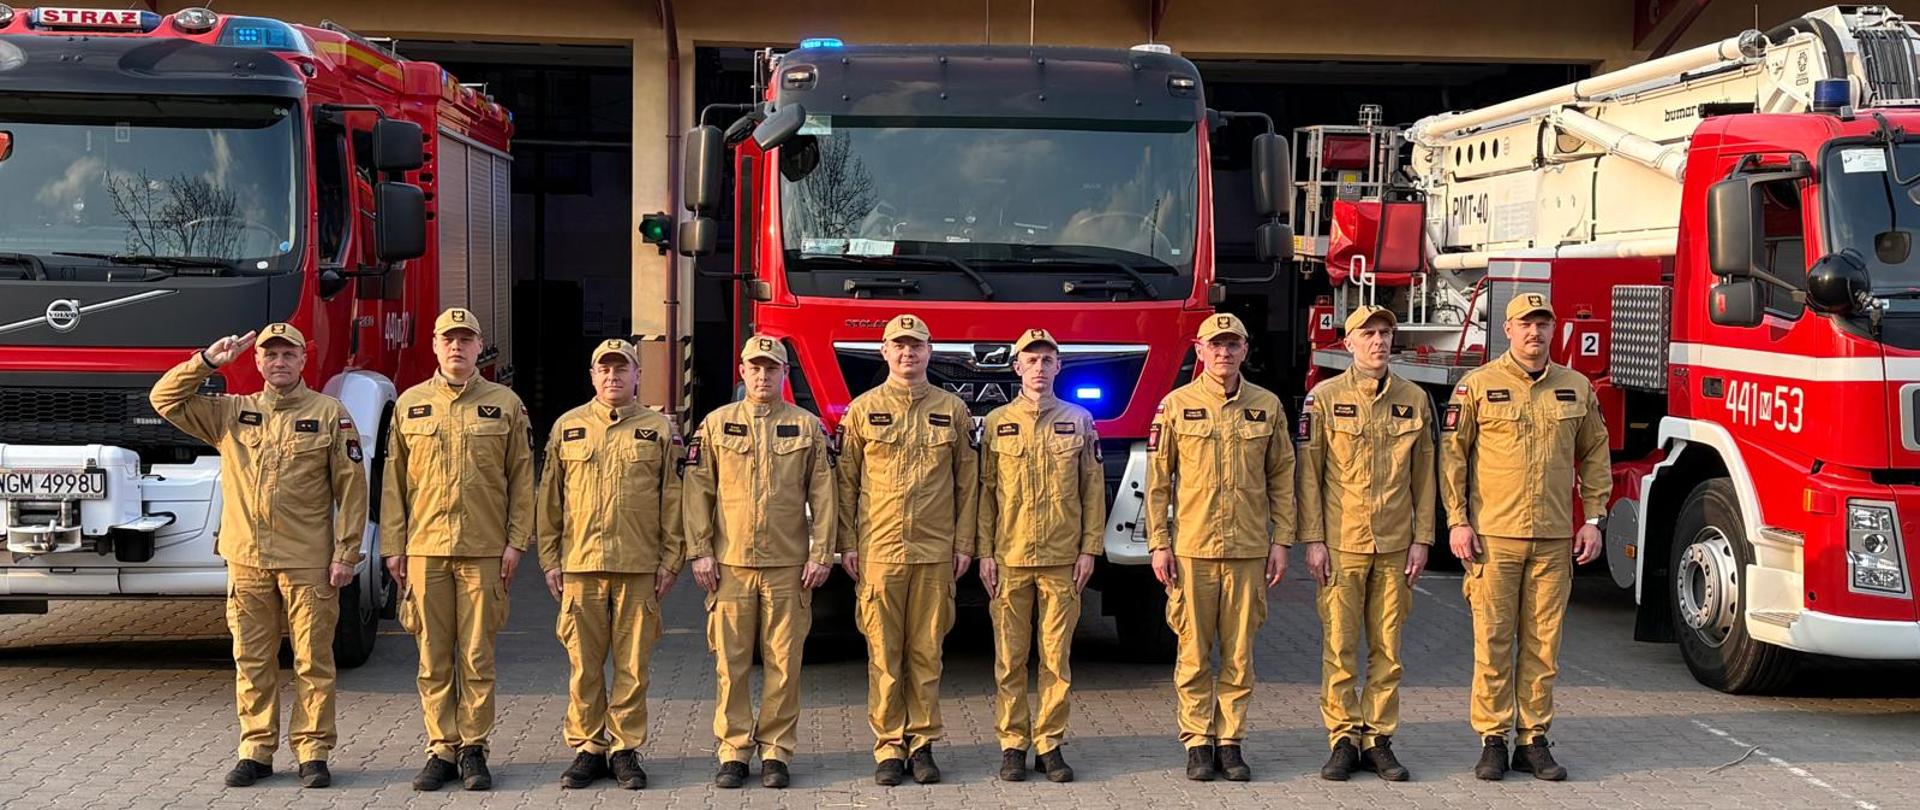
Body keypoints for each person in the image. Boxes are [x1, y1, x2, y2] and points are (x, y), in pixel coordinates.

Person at [150, 323, 367, 789]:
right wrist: (207, 362)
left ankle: (313, 750)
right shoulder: (232, 413)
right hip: (247, 559)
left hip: (309, 560)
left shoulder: (330, 414)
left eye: (288, 354)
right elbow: (164, 400)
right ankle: (256, 749)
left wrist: (347, 553)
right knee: (252, 658)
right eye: (271, 355)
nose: (279, 362)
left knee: (312, 660)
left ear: (303, 360)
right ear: (258, 362)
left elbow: (352, 490)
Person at [1443, 293, 1610, 782]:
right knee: (1493, 642)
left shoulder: (1576, 388)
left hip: (1554, 540)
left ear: (1553, 331)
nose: (1534, 333)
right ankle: (1492, 740)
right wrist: (1457, 520)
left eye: (1543, 324)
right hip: (1494, 539)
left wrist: (1594, 520)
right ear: (1508, 330)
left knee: (1543, 645)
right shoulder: (1478, 386)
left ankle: (1533, 740)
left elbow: (1596, 456)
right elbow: (1453, 458)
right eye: (1525, 325)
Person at [380, 307, 535, 791]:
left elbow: (522, 480)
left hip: (484, 550)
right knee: (432, 656)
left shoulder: (506, 404)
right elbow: (394, 483)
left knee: (477, 656)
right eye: (449, 339)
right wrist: (393, 545)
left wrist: (515, 542)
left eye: (466, 340)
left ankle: (473, 748)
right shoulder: (410, 404)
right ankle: (440, 748)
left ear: (479, 347)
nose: (457, 347)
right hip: (425, 549)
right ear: (434, 345)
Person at [1145, 312, 1295, 782]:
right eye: (1215, 344)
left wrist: (1282, 540)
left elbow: (1282, 478)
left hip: (1249, 548)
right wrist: (1158, 543)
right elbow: (1157, 484)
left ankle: (1230, 742)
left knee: (1238, 654)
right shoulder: (1175, 405)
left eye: (1232, 345)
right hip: (1192, 550)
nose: (1224, 352)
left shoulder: (1267, 406)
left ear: (1245, 350)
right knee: (1192, 651)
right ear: (1199, 349)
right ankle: (1196, 742)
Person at [682, 335, 837, 790]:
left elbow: (824, 497)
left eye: (772, 369)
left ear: (784, 375)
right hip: (729, 567)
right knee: (730, 665)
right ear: (743, 373)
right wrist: (700, 551)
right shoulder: (716, 424)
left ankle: (776, 751)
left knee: (784, 664)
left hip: (789, 567)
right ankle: (733, 750)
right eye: (755, 368)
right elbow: (697, 493)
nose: (763, 376)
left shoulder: (807, 427)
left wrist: (820, 552)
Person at [837, 313, 979, 786]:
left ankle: (923, 744)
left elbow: (968, 482)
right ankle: (889, 747)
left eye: (916, 345)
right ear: (884, 352)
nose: (907, 353)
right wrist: (846, 544)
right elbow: (846, 484)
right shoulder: (861, 410)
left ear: (929, 352)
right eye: (898, 346)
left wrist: (964, 543)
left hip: (936, 552)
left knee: (926, 654)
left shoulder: (951, 410)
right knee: (883, 654)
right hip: (879, 551)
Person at [537, 339, 683, 790]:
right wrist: (549, 559)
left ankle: (624, 749)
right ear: (593, 375)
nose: (613, 377)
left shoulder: (659, 430)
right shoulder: (568, 427)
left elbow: (674, 499)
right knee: (584, 665)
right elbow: (550, 501)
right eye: (605, 369)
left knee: (633, 666)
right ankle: (587, 748)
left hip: (638, 566)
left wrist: (671, 559)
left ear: (638, 375)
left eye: (623, 369)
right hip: (580, 565)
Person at [1295, 305, 1434, 782]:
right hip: (1342, 545)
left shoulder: (1413, 399)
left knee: (1388, 648)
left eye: (1385, 332)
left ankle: (1378, 739)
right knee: (1339, 646)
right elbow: (1308, 478)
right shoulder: (1324, 399)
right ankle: (1341, 738)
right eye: (1368, 333)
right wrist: (1312, 539)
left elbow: (1426, 476)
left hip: (1396, 545)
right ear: (1348, 342)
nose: (1378, 341)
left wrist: (1423, 538)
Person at [977, 327, 1103, 784]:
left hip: (1061, 558)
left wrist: (1090, 549)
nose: (1039, 368)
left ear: (1058, 367)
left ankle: (1050, 743)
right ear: (1016, 368)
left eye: (1047, 360)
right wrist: (984, 552)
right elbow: (985, 493)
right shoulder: (996, 423)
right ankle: (1013, 744)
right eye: (1030, 361)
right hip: (1009, 558)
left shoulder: (1079, 420)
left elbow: (1092, 492)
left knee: (1056, 659)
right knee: (1010, 659)